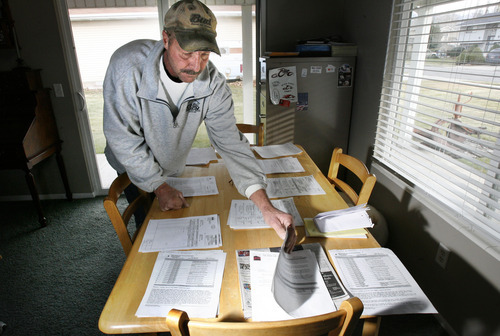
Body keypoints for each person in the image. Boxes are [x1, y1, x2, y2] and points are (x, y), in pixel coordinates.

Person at [103, 0, 295, 245]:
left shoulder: (214, 84)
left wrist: (266, 208)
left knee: (174, 223)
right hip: (131, 162)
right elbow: (123, 139)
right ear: (166, 39)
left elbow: (231, 144)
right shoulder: (127, 67)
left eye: (204, 54)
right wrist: (159, 187)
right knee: (148, 226)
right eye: (186, 53)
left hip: (171, 164)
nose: (195, 66)